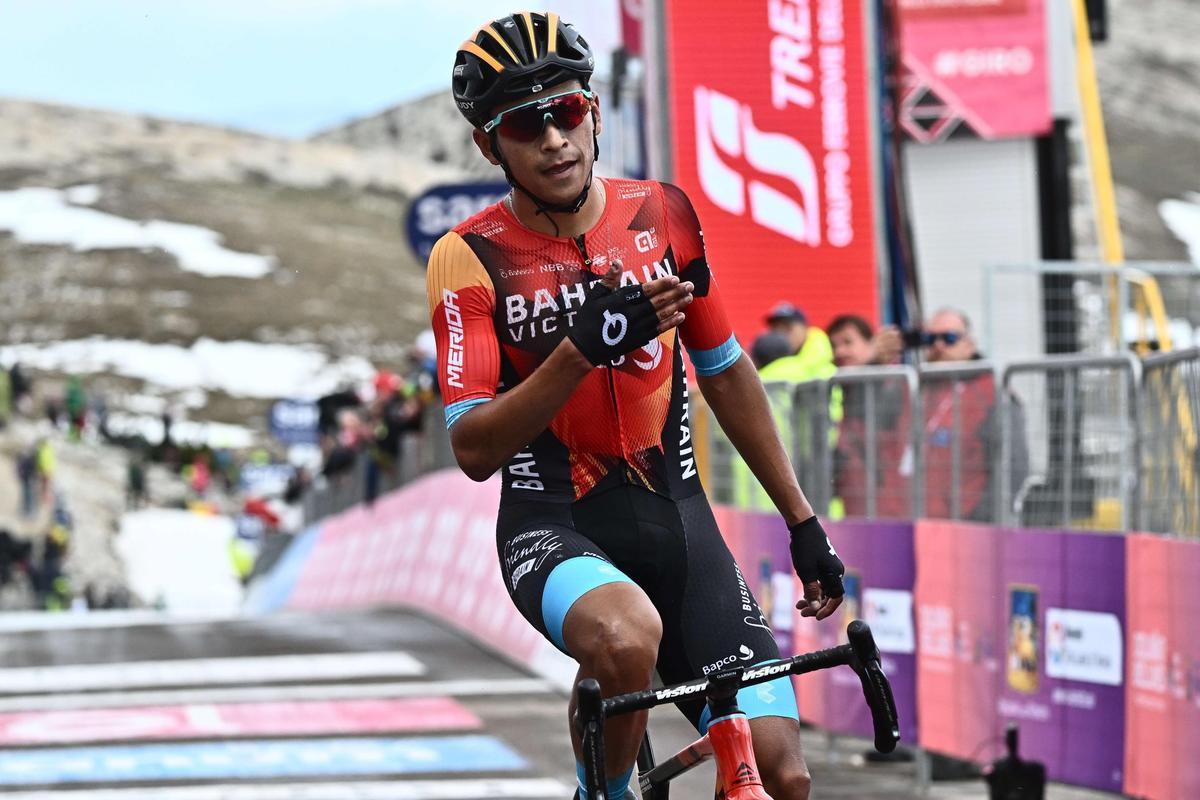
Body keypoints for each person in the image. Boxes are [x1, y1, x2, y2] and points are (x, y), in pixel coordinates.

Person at [428, 14, 844, 800]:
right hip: (554, 526)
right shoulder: (469, 258)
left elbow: (726, 372)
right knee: (627, 640)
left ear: (593, 111)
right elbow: (474, 449)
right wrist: (578, 351)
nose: (554, 139)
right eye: (525, 123)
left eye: (568, 111)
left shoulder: (662, 214)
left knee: (783, 777)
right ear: (491, 147)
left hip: (680, 520)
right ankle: (605, 792)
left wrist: (802, 523)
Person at [920, 308, 1028, 521]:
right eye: (930, 338)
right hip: (918, 523)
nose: (938, 345)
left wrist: (983, 519)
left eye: (949, 338)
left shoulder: (991, 393)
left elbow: (1013, 466)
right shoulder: (916, 389)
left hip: (967, 526)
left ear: (969, 344)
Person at [827, 314, 911, 518]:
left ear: (870, 344)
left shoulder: (890, 384)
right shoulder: (840, 389)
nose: (840, 351)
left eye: (848, 342)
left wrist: (873, 364)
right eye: (834, 345)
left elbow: (877, 417)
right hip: (855, 505)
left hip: (886, 507)